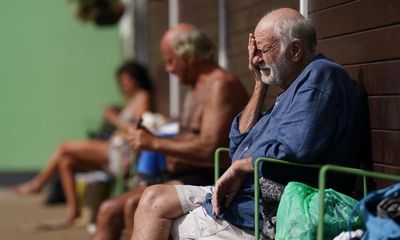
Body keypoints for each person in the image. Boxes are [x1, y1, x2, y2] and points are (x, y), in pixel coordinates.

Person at [131, 8, 366, 240]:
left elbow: (293, 149)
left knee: (164, 225)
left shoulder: (319, 76)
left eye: (263, 50)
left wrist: (240, 167)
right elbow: (239, 144)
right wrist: (259, 85)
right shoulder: (288, 89)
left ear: (295, 50)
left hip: (269, 209)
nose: (255, 59)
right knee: (153, 199)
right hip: (244, 198)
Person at [92, 23, 249, 240]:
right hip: (184, 174)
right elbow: (192, 134)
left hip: (209, 176)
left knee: (121, 207)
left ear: (188, 55)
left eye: (170, 61)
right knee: (110, 209)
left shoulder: (219, 84)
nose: (168, 69)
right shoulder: (197, 86)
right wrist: (155, 135)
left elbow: (208, 147)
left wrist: (153, 142)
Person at [13, 61, 153, 229]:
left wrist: (114, 119)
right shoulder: (132, 99)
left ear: (136, 79)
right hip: (114, 149)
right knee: (66, 162)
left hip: (120, 152)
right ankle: (73, 213)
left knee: (64, 146)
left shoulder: (143, 96)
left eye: (126, 79)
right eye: (121, 80)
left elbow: (138, 127)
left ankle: (38, 184)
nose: (123, 84)